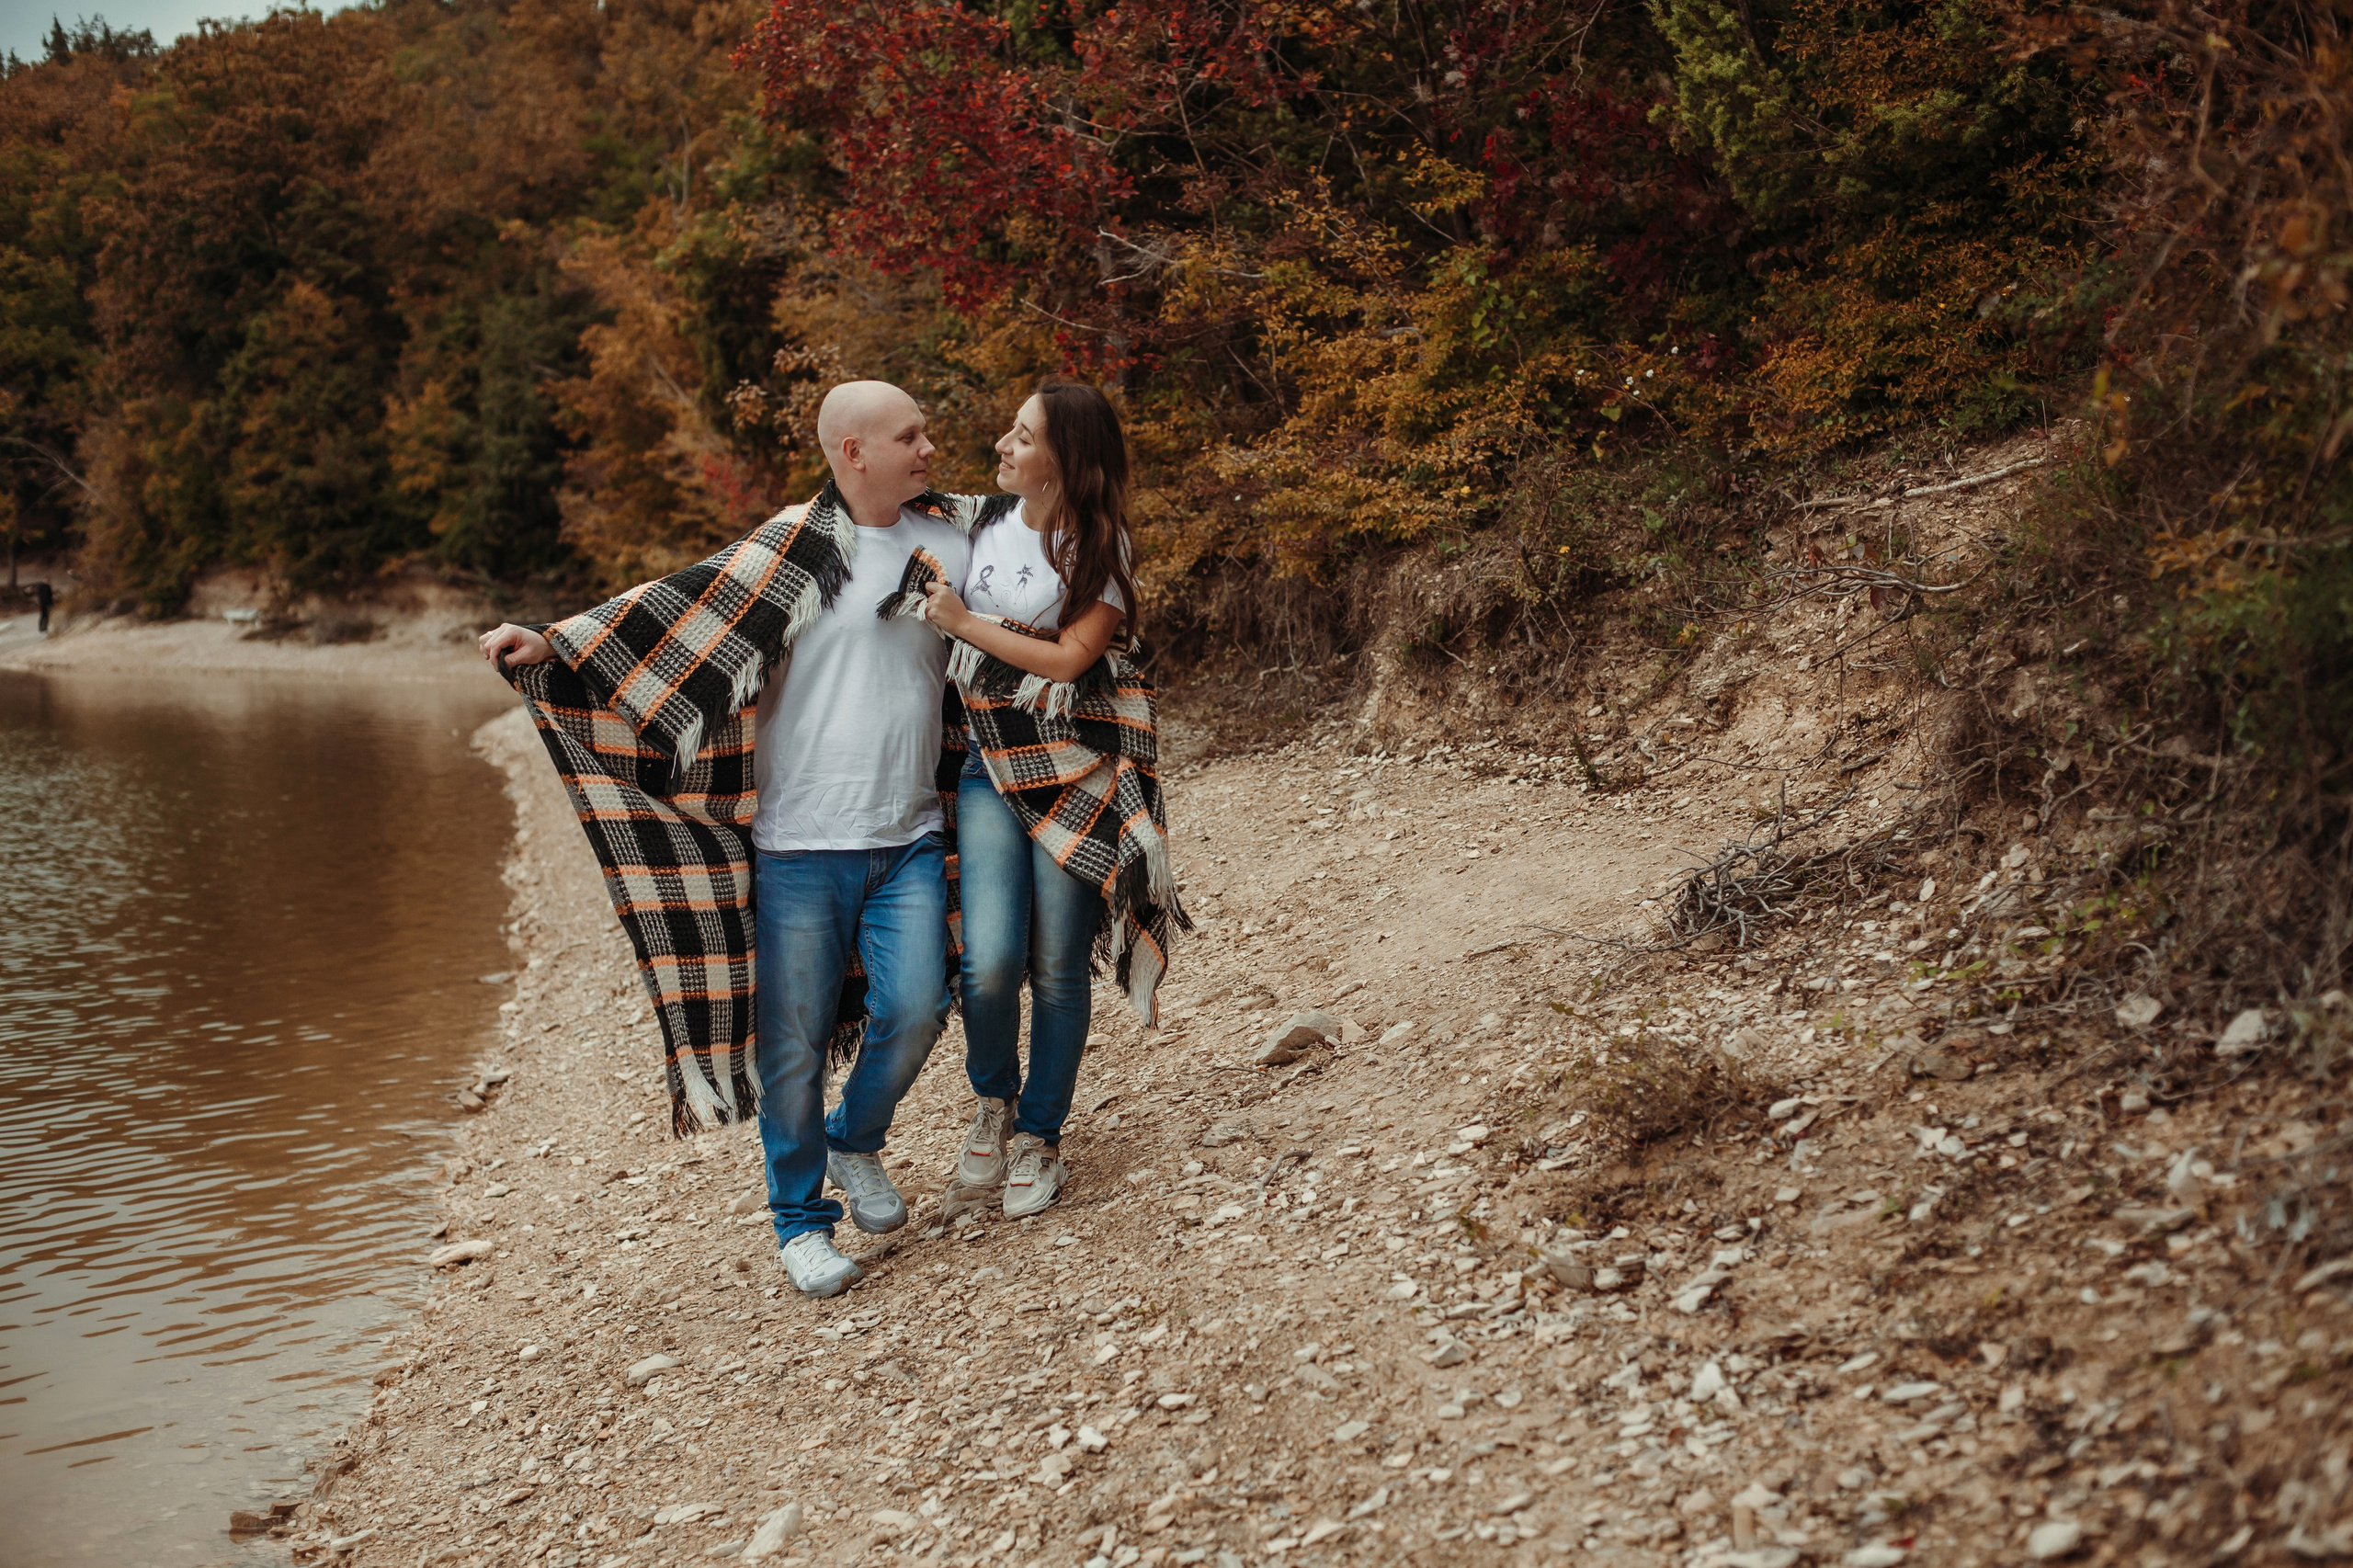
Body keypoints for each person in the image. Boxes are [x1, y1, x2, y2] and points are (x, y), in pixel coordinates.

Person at [479, 381, 983, 1298]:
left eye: (926, 433)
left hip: (908, 834)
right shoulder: (793, 546)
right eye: (909, 435)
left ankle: (855, 1138)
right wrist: (551, 641)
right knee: (787, 1045)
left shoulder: (953, 536)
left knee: (917, 1005)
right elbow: (671, 610)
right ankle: (800, 1222)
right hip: (796, 847)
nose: (929, 448)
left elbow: (1041, 564)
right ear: (852, 451)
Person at [918, 380, 1182, 1219]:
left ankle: (1040, 1135)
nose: (1003, 444)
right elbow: (866, 521)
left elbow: (1070, 661)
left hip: (1075, 768)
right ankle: (993, 1104)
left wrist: (962, 626)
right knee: (990, 962)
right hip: (991, 767)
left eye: (1022, 436)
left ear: (1063, 459)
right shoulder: (981, 522)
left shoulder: (1100, 546)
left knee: (1059, 967)